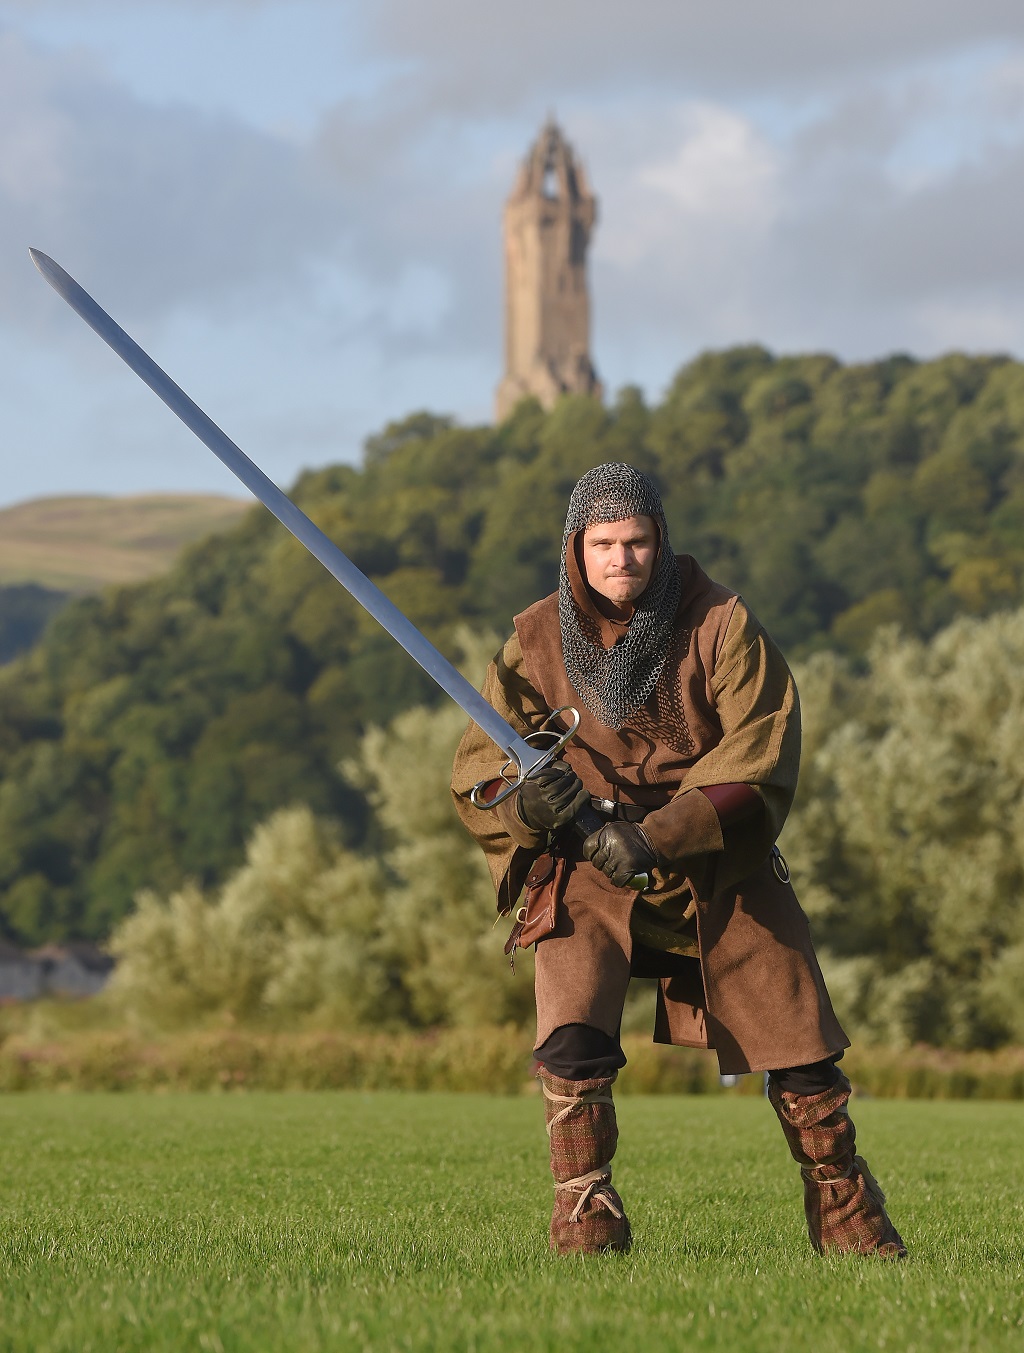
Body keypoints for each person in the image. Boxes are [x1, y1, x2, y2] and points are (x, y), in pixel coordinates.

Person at [452, 462, 905, 1259]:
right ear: (576, 550)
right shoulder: (530, 642)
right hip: (586, 865)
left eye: (635, 541)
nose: (621, 558)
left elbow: (762, 749)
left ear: (660, 543)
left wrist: (660, 833)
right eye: (604, 544)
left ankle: (845, 1212)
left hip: (715, 856)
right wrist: (529, 807)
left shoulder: (722, 623)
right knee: (571, 1038)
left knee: (801, 1049)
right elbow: (480, 770)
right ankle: (586, 1217)